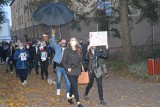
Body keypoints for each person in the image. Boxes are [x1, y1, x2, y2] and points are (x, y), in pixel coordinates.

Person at [62, 37, 83, 107]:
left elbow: (81, 60)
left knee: (73, 86)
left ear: (76, 42)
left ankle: (69, 97)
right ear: (70, 42)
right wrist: (67, 68)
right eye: (72, 40)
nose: (73, 41)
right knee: (75, 86)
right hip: (70, 71)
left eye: (74, 40)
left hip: (77, 70)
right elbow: (63, 61)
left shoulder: (79, 49)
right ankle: (78, 103)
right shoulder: (67, 50)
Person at [50, 28, 70, 98]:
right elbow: (53, 42)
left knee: (68, 81)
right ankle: (58, 89)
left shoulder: (68, 49)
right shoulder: (57, 48)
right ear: (60, 42)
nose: (63, 43)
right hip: (58, 67)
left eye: (65, 42)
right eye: (62, 42)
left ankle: (68, 93)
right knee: (58, 80)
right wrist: (53, 34)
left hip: (66, 67)